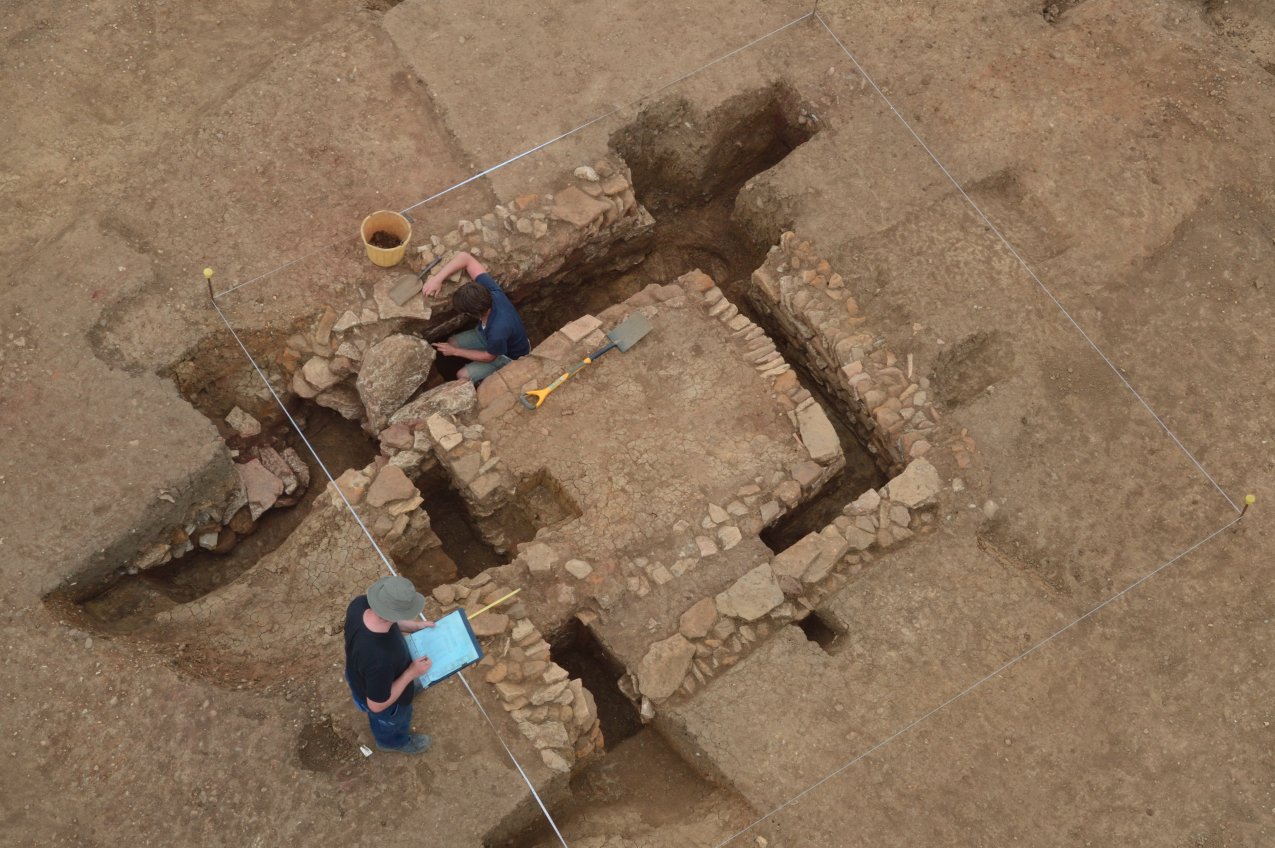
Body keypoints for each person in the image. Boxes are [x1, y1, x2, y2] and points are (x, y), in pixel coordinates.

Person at [344, 574, 435, 755]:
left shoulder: (360, 605)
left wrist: (415, 627)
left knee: (395, 685)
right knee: (393, 722)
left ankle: (406, 687)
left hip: (360, 676)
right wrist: (411, 672)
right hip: (385, 703)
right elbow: (376, 705)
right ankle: (393, 742)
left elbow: (389, 619)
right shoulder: (380, 659)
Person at [422, 251, 530, 384]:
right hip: (486, 336)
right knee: (451, 341)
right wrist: (437, 278)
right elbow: (465, 257)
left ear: (474, 314)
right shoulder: (491, 292)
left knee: (461, 375)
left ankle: (483, 380)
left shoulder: (498, 330)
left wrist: (455, 351)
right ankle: (468, 357)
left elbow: (488, 357)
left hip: (506, 355)